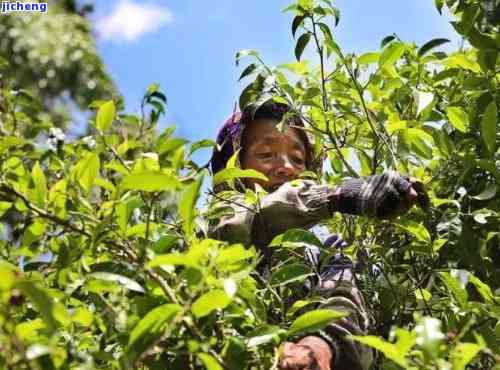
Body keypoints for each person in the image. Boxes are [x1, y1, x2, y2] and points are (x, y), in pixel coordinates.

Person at [208, 100, 425, 370]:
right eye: (266, 154)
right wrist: (338, 195)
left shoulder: (327, 243)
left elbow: (344, 299)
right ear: (234, 168)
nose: (286, 167)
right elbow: (241, 226)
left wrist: (319, 346)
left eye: (298, 159)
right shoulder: (220, 215)